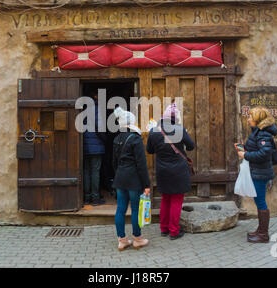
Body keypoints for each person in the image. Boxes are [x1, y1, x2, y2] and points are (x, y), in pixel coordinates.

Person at [147, 103, 195, 240]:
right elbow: (191, 146)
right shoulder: (179, 130)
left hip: (162, 170)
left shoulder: (154, 131)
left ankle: (164, 229)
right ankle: (174, 231)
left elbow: (149, 150)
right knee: (176, 199)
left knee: (166, 198)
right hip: (178, 170)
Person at [236, 106, 277, 243]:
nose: (248, 120)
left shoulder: (263, 134)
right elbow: (258, 148)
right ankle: (260, 231)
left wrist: (245, 154)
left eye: (251, 117)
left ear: (257, 119)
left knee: (260, 201)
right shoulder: (258, 132)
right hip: (257, 171)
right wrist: (244, 148)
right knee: (259, 201)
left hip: (260, 173)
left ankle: (263, 234)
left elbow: (264, 154)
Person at [112, 107, 151, 251]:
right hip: (134, 180)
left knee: (120, 209)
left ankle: (122, 241)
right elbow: (141, 164)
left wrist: (118, 175)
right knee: (135, 209)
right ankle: (137, 239)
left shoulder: (116, 138)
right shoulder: (135, 138)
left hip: (120, 178)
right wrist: (146, 184)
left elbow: (113, 162)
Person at [83, 92, 106, 206]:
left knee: (86, 171)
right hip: (96, 145)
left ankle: (87, 198)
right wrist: (104, 140)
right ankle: (95, 198)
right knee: (95, 171)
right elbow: (100, 127)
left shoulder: (83, 109)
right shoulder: (96, 109)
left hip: (85, 144)